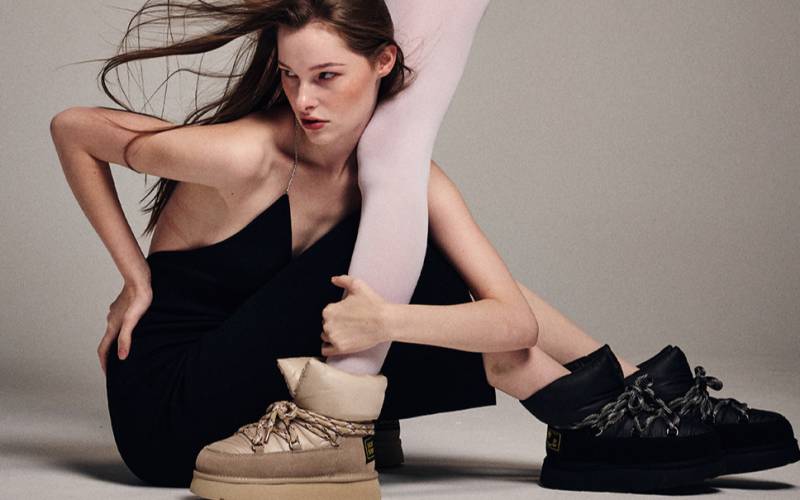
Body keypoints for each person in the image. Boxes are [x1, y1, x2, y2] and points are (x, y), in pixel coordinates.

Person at [48, 1, 799, 498]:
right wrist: (135, 275)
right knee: (420, 262)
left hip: (270, 383)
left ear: (383, 64)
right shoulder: (246, 154)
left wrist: (390, 324)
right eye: (291, 76)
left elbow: (511, 319)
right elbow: (73, 130)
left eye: (327, 77)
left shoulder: (400, 183)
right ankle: (617, 409)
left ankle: (620, 405)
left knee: (403, 254)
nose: (305, 100)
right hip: (170, 411)